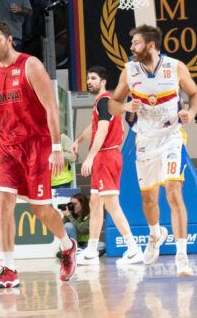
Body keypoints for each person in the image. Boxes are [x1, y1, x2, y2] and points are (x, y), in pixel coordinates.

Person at [0, 20, 77, 288]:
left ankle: (67, 246)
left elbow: (52, 108)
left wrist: (56, 148)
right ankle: (9, 269)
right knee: (3, 202)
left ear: (10, 40)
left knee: (40, 209)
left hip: (36, 145)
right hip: (7, 147)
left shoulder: (31, 66)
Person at [108, 25, 197, 278]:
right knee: (149, 200)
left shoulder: (175, 67)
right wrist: (126, 106)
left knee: (173, 192)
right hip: (145, 140)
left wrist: (191, 112)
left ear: (151, 45)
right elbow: (112, 105)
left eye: (136, 43)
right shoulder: (129, 71)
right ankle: (155, 234)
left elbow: (194, 94)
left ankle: (182, 257)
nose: (131, 47)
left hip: (172, 137)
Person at [71, 66, 143, 265]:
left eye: (93, 78)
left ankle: (134, 249)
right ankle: (91, 251)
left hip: (106, 156)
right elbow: (94, 127)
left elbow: (102, 130)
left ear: (103, 82)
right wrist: (79, 140)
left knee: (112, 205)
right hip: (104, 156)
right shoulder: (102, 103)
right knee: (95, 204)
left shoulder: (105, 101)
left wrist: (90, 157)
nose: (89, 81)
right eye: (88, 78)